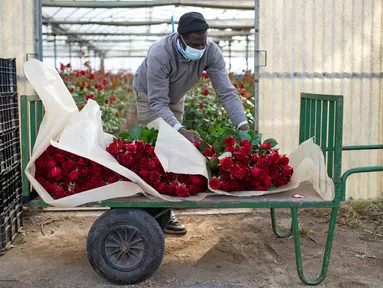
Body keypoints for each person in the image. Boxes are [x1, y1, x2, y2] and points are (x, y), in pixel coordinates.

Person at [133, 12, 250, 235]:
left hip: (176, 96)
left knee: (172, 149)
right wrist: (181, 131)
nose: (200, 47)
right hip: (150, 96)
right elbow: (158, 102)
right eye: (194, 43)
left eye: (203, 42)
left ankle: (164, 209)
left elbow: (226, 92)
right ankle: (152, 213)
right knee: (153, 150)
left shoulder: (211, 52)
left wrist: (242, 125)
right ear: (180, 38)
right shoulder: (160, 53)